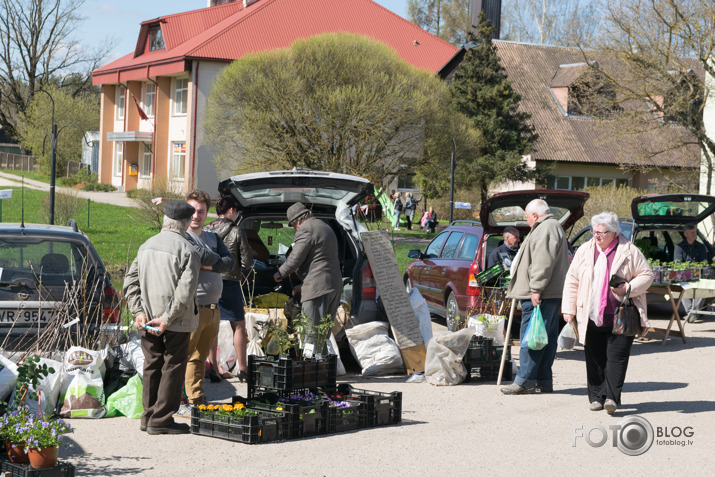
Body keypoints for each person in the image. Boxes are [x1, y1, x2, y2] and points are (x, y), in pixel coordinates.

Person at [562, 212, 653, 415]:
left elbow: (647, 275)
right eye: (594, 232)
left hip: (622, 313)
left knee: (617, 357)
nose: (597, 236)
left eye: (601, 232)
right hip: (591, 313)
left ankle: (612, 397)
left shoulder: (629, 251)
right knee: (594, 357)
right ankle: (596, 397)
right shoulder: (585, 250)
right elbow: (572, 279)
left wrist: (628, 287)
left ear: (613, 232)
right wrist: (568, 309)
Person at [123, 201, 199, 435]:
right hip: (175, 320)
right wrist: (167, 317)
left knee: (152, 364)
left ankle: (148, 416)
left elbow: (130, 281)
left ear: (166, 221)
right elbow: (184, 292)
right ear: (185, 224)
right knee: (173, 365)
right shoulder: (188, 250)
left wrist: (138, 311)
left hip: (146, 317)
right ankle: (162, 419)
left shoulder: (146, 246)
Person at [501, 199, 570, 395]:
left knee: (532, 338)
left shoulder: (546, 228)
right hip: (549, 293)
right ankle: (543, 380)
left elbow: (542, 262)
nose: (527, 221)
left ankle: (525, 381)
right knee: (544, 338)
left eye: (527, 217)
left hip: (542, 294)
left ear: (534, 215)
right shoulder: (551, 226)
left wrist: (536, 289)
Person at [177, 190, 235, 416]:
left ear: (207, 212)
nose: (196, 216)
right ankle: (179, 399)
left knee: (201, 357)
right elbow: (196, 257)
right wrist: (214, 262)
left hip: (213, 308)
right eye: (192, 211)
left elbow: (229, 263)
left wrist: (210, 265)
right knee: (184, 357)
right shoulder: (182, 237)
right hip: (192, 307)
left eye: (201, 211)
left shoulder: (213, 237)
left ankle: (196, 398)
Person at [273, 203, 342, 356]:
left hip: (317, 289)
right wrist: (302, 286)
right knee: (322, 334)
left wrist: (280, 273)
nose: (294, 229)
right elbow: (320, 262)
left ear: (298, 221)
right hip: (334, 286)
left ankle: (310, 366)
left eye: (292, 225)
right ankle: (321, 367)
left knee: (310, 333)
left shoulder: (306, 229)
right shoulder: (325, 226)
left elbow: (295, 257)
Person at [204, 196, 253, 382]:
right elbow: (246, 261)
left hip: (209, 282)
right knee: (238, 325)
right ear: (231, 210)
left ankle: (214, 369)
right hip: (230, 282)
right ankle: (242, 369)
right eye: (237, 211)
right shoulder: (237, 230)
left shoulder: (206, 230)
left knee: (211, 326)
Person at [674, 223, 713, 318]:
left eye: (695, 232)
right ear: (685, 234)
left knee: (702, 287)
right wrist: (689, 270)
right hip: (685, 275)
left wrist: (698, 269)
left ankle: (693, 313)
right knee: (681, 286)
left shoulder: (701, 246)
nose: (694, 234)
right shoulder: (679, 247)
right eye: (691, 232)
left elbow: (704, 262)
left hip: (698, 274)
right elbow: (677, 264)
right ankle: (691, 312)